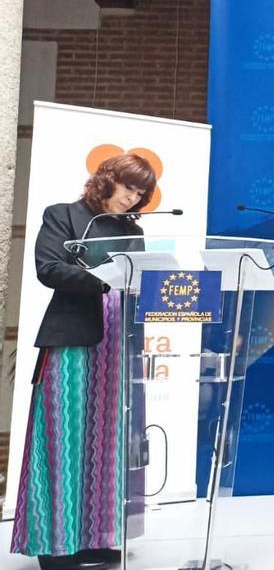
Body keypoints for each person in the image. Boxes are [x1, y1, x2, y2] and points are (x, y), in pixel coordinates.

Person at [10, 154, 157, 570]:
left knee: (108, 442)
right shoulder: (63, 216)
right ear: (107, 179)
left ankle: (96, 536)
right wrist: (106, 278)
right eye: (130, 187)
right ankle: (55, 544)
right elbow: (48, 268)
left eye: (141, 192)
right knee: (63, 436)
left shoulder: (134, 230)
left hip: (119, 341)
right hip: (74, 334)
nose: (134, 198)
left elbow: (139, 282)